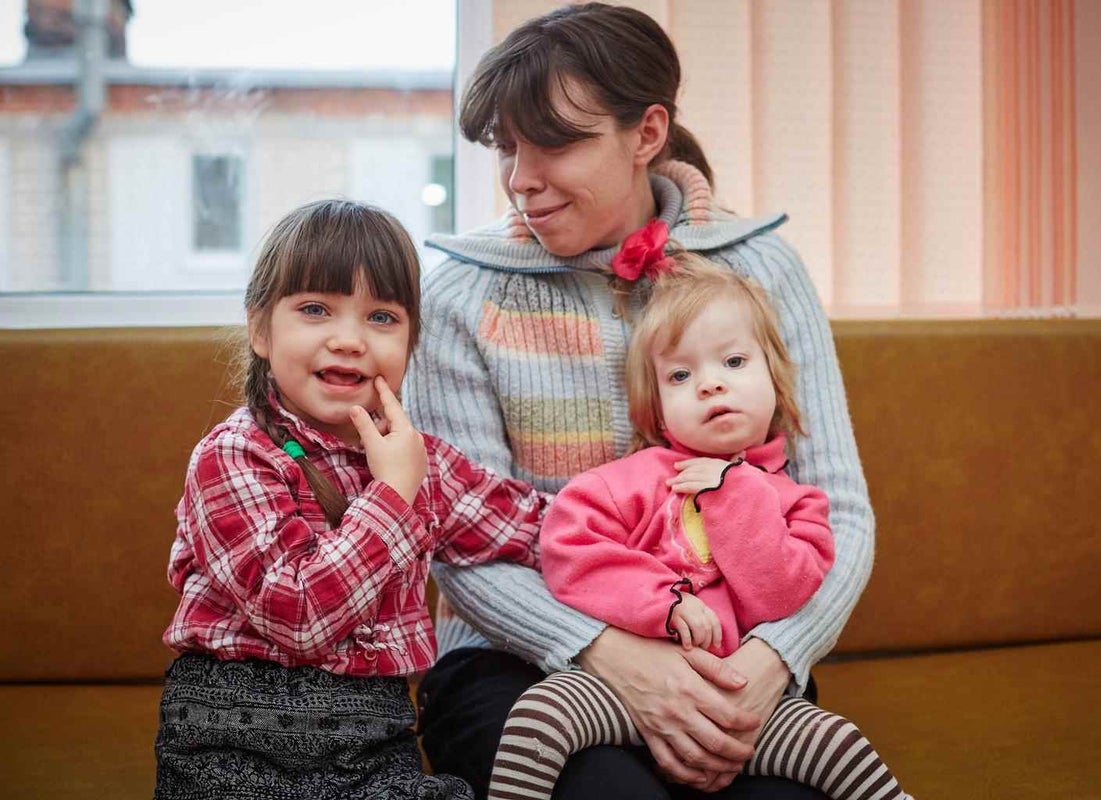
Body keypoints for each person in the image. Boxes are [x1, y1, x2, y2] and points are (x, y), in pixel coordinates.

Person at [408, 4, 875, 798]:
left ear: (647, 133)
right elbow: (460, 547)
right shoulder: (460, 296)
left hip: (732, 655)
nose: (521, 177)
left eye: (554, 141)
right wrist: (615, 657)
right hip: (512, 662)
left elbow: (840, 511)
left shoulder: (761, 272)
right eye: (505, 147)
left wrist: (774, 660)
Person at [154, 199, 547, 800]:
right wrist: (391, 496)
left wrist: (669, 524)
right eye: (315, 309)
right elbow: (300, 617)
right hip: (230, 745)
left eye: (382, 317)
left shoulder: (422, 462)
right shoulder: (233, 456)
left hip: (372, 748)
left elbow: (536, 526)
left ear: (412, 343)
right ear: (261, 329)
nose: (349, 339)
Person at [489, 253, 909, 800]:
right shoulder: (629, 481)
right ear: (658, 411)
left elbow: (781, 596)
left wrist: (734, 493)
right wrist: (664, 601)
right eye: (681, 375)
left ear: (777, 383)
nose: (710, 385)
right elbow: (569, 550)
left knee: (839, 744)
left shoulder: (796, 503)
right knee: (540, 715)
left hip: (741, 707)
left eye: (733, 363)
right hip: (620, 691)